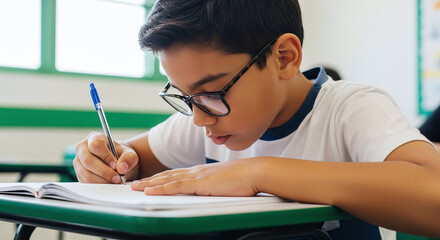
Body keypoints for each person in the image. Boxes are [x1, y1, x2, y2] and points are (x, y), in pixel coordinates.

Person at [73, 0, 440, 239]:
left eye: (213, 92)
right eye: (184, 97)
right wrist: (104, 161)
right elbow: (129, 162)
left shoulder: (350, 108)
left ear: (284, 57)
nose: (199, 118)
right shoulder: (205, 122)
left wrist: (257, 172)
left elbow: (433, 194)